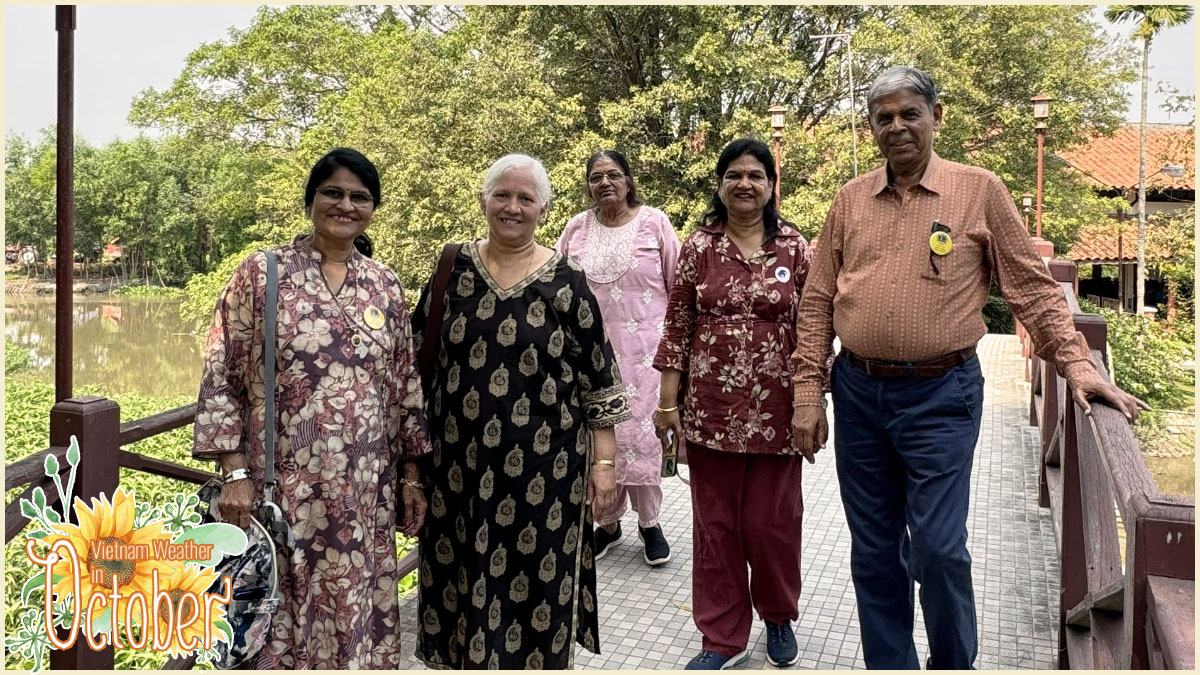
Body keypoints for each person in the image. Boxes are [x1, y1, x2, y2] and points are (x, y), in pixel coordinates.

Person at [790, 66, 1149, 670]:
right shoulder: (850, 199)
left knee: (938, 549)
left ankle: (954, 663)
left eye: (910, 113)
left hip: (941, 395)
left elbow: (1031, 290)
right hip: (857, 392)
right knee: (874, 550)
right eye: (884, 117)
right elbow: (819, 298)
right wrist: (807, 390)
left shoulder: (978, 189)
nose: (897, 126)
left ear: (937, 116)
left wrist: (1077, 364)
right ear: (870, 127)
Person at [193, 147, 431, 669]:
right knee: (279, 616)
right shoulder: (263, 273)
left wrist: (411, 476)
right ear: (311, 200)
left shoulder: (385, 284)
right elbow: (221, 371)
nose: (345, 205)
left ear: (372, 208)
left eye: (359, 196)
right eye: (333, 192)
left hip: (364, 493)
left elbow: (404, 385)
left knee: (354, 611)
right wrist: (233, 471)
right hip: (283, 489)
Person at [412, 153, 632, 669]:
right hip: (456, 477)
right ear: (484, 200)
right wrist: (410, 470)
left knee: (538, 590)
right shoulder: (452, 270)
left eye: (525, 198)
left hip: (546, 478)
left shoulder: (567, 281)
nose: (513, 207)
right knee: (462, 590)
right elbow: (413, 368)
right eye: (502, 195)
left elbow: (598, 381)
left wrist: (603, 467)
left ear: (544, 209)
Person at [653, 138, 814, 670]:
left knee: (772, 524)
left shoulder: (795, 247)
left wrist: (815, 401)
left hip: (779, 410)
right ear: (719, 185)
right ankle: (721, 637)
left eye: (756, 175)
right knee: (715, 526)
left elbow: (814, 327)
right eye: (734, 175)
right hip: (710, 408)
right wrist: (667, 405)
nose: (744, 183)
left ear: (771, 186)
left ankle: (777, 615)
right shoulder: (698, 247)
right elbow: (677, 327)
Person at [556, 150, 681, 567]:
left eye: (613, 175)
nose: (605, 182)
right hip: (589, 356)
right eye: (595, 176)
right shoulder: (576, 228)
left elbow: (679, 289)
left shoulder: (655, 223)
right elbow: (557, 285)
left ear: (628, 181)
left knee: (642, 439)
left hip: (647, 356)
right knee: (597, 437)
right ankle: (607, 522)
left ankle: (650, 524)